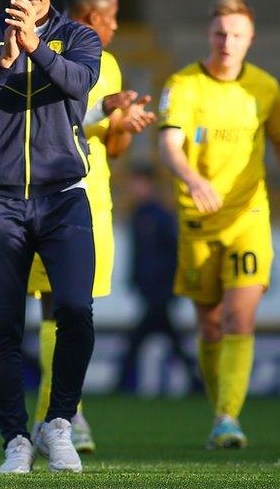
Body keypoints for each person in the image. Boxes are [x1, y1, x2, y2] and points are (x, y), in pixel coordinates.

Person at [0, 0, 101, 474]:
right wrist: (6, 59)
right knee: (1, 325)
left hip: (63, 197)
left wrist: (37, 48)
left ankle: (58, 423)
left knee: (77, 313)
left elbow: (80, 83)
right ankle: (15, 438)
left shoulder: (81, 36)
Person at [157, 0, 280, 449]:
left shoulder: (264, 88)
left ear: (250, 40)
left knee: (238, 318)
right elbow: (169, 144)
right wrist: (192, 178)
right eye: (220, 33)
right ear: (209, 35)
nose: (227, 42)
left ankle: (229, 417)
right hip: (198, 221)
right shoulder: (184, 85)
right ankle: (220, 413)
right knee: (209, 325)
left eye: (236, 35)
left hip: (249, 215)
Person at [27, 0, 156, 455]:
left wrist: (125, 125)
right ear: (87, 16)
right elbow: (46, 119)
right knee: (51, 307)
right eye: (111, 17)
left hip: (92, 199)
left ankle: (64, 412)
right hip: (48, 194)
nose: (117, 26)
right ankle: (59, 418)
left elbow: (116, 149)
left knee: (77, 310)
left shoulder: (113, 63)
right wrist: (107, 115)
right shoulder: (53, 53)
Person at [117, 163, 191, 390]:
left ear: (148, 184)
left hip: (160, 291)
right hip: (150, 290)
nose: (133, 188)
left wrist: (170, 287)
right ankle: (196, 381)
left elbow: (173, 253)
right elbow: (138, 254)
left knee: (138, 340)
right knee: (170, 339)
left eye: (137, 183)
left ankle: (122, 384)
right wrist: (135, 279)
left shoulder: (160, 216)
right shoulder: (138, 215)